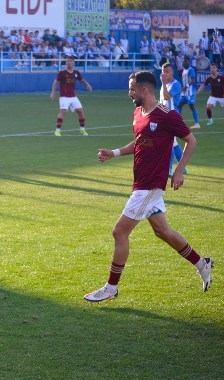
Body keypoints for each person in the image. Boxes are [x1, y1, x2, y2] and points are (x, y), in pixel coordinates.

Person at [84, 71, 213, 302]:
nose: (129, 93)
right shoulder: (137, 113)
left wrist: (179, 170)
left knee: (119, 232)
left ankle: (111, 288)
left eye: (132, 89)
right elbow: (139, 141)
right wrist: (114, 153)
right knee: (163, 232)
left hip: (150, 186)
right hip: (140, 183)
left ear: (144, 90)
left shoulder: (167, 115)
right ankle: (202, 264)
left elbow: (191, 141)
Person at [50, 56, 93, 136]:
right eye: (67, 61)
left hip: (73, 97)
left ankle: (82, 130)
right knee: (63, 112)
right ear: (66, 62)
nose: (69, 62)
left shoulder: (76, 72)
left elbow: (82, 80)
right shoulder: (61, 73)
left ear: (73, 62)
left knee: (80, 111)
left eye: (70, 61)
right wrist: (53, 92)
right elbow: (55, 82)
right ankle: (57, 130)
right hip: (64, 97)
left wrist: (87, 85)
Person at [159, 62, 186, 176]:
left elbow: (166, 96)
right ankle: (182, 168)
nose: (165, 74)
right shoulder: (164, 85)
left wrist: (164, 83)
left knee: (169, 142)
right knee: (173, 142)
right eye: (163, 72)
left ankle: (169, 169)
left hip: (172, 116)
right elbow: (162, 101)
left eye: (167, 72)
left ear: (172, 72)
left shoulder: (176, 84)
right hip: (165, 116)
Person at [178, 57, 201, 129]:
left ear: (189, 62)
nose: (184, 63)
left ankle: (197, 124)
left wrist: (187, 86)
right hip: (184, 93)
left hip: (190, 92)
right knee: (179, 105)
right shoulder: (184, 70)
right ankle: (179, 122)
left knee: (191, 105)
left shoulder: (191, 70)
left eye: (186, 61)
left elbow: (193, 79)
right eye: (183, 61)